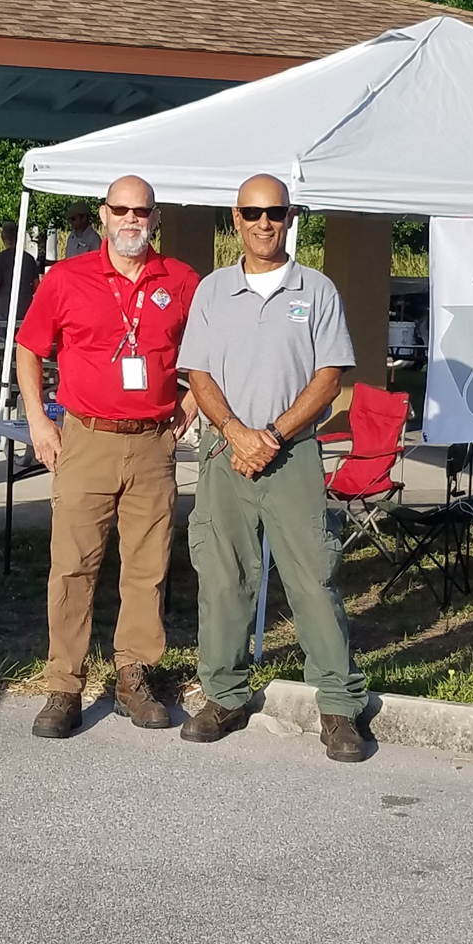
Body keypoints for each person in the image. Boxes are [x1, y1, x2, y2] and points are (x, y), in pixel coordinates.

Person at [175, 173, 369, 762]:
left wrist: (273, 435)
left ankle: (338, 707)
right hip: (223, 454)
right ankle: (225, 695)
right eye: (253, 213)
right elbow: (198, 374)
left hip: (293, 455)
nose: (265, 223)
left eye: (276, 213)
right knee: (223, 578)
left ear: (290, 218)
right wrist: (236, 433)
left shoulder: (318, 291)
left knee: (314, 578)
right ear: (235, 219)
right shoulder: (211, 291)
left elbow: (329, 377)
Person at [14, 176, 200, 739]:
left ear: (155, 218)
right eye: (120, 209)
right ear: (103, 215)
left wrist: (188, 409)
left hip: (152, 442)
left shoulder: (182, 280)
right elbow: (28, 348)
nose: (130, 220)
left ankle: (132, 676)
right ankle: (64, 686)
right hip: (85, 438)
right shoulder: (66, 278)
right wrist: (39, 421)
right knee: (72, 565)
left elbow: (214, 355)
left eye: (141, 211)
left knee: (148, 568)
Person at [0, 220, 40, 325]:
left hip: (3, 307)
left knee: (2, 339)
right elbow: (36, 285)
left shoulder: (0, 258)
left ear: (3, 238)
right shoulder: (29, 259)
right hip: (25, 306)